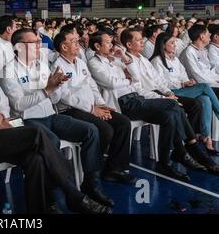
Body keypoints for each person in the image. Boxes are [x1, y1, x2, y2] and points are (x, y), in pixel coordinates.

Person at [0, 36, 112, 214]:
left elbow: (4, 105)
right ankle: (75, 196)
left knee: (36, 159)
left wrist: (0, 116)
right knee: (36, 134)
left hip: (3, 133)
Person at [0, 28, 113, 208]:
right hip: (29, 121)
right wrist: (47, 90)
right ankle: (51, 195)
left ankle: (91, 183)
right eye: (34, 43)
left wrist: (56, 88)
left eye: (39, 42)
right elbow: (18, 105)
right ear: (19, 47)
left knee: (91, 130)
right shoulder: (8, 71)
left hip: (51, 115)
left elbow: (54, 99)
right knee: (52, 142)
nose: (39, 45)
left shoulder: (42, 65)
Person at [87, 32, 207, 181]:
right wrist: (127, 81)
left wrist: (124, 59)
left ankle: (165, 162)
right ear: (97, 46)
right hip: (124, 103)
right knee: (172, 104)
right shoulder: (94, 62)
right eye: (108, 43)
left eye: (112, 42)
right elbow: (111, 83)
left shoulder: (117, 60)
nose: (112, 46)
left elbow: (136, 79)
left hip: (136, 98)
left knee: (169, 115)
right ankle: (186, 148)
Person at [52, 30, 136, 184]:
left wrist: (101, 104)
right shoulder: (57, 67)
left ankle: (114, 169)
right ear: (64, 47)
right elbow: (65, 96)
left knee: (123, 122)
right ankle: (92, 173)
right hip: (71, 111)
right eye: (74, 42)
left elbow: (92, 86)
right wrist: (92, 109)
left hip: (92, 107)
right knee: (105, 130)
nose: (78, 44)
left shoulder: (81, 62)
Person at [150, 32, 219, 155]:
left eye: (175, 42)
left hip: (182, 89)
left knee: (205, 99)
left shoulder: (175, 59)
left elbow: (183, 75)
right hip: (169, 93)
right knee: (204, 87)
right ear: (163, 45)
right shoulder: (157, 61)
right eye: (172, 42)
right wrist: (182, 83)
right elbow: (161, 83)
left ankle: (206, 138)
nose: (175, 45)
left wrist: (188, 81)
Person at [180, 25, 219, 91]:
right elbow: (196, 75)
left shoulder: (203, 50)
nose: (210, 35)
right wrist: (215, 84)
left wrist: (216, 79)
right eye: (208, 33)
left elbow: (209, 71)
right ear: (202, 36)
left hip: (210, 83)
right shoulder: (189, 52)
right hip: (200, 86)